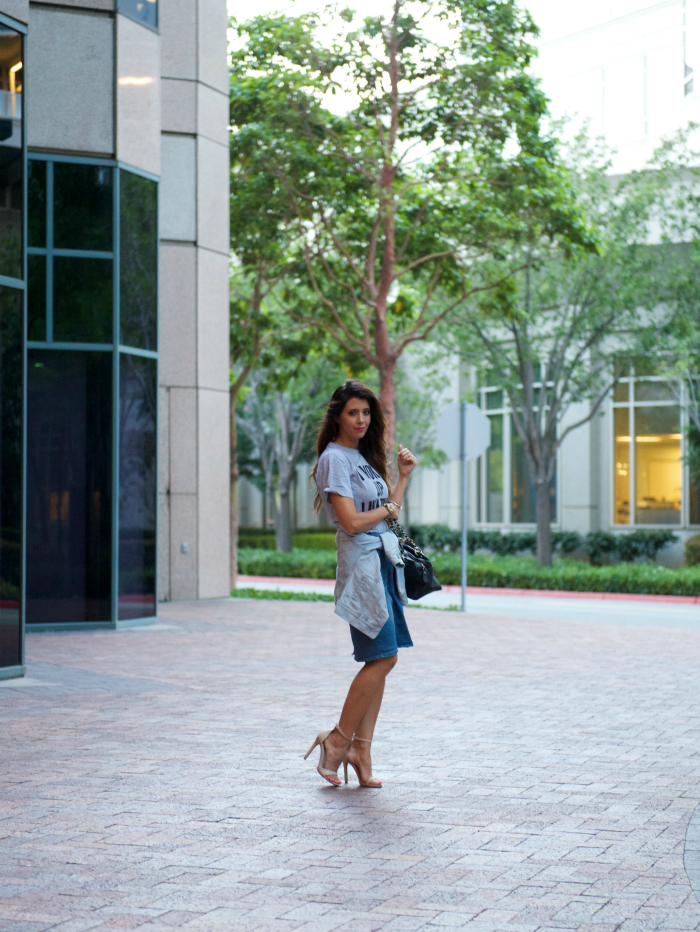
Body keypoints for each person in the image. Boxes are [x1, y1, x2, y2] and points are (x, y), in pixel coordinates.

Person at [304, 380, 417, 788]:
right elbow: (351, 522)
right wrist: (388, 507)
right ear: (338, 416)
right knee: (382, 657)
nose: (361, 420)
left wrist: (402, 478)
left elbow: (389, 513)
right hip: (362, 565)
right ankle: (337, 741)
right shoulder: (335, 458)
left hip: (382, 559)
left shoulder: (361, 457)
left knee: (384, 658)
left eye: (366, 413)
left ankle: (360, 749)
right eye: (353, 413)